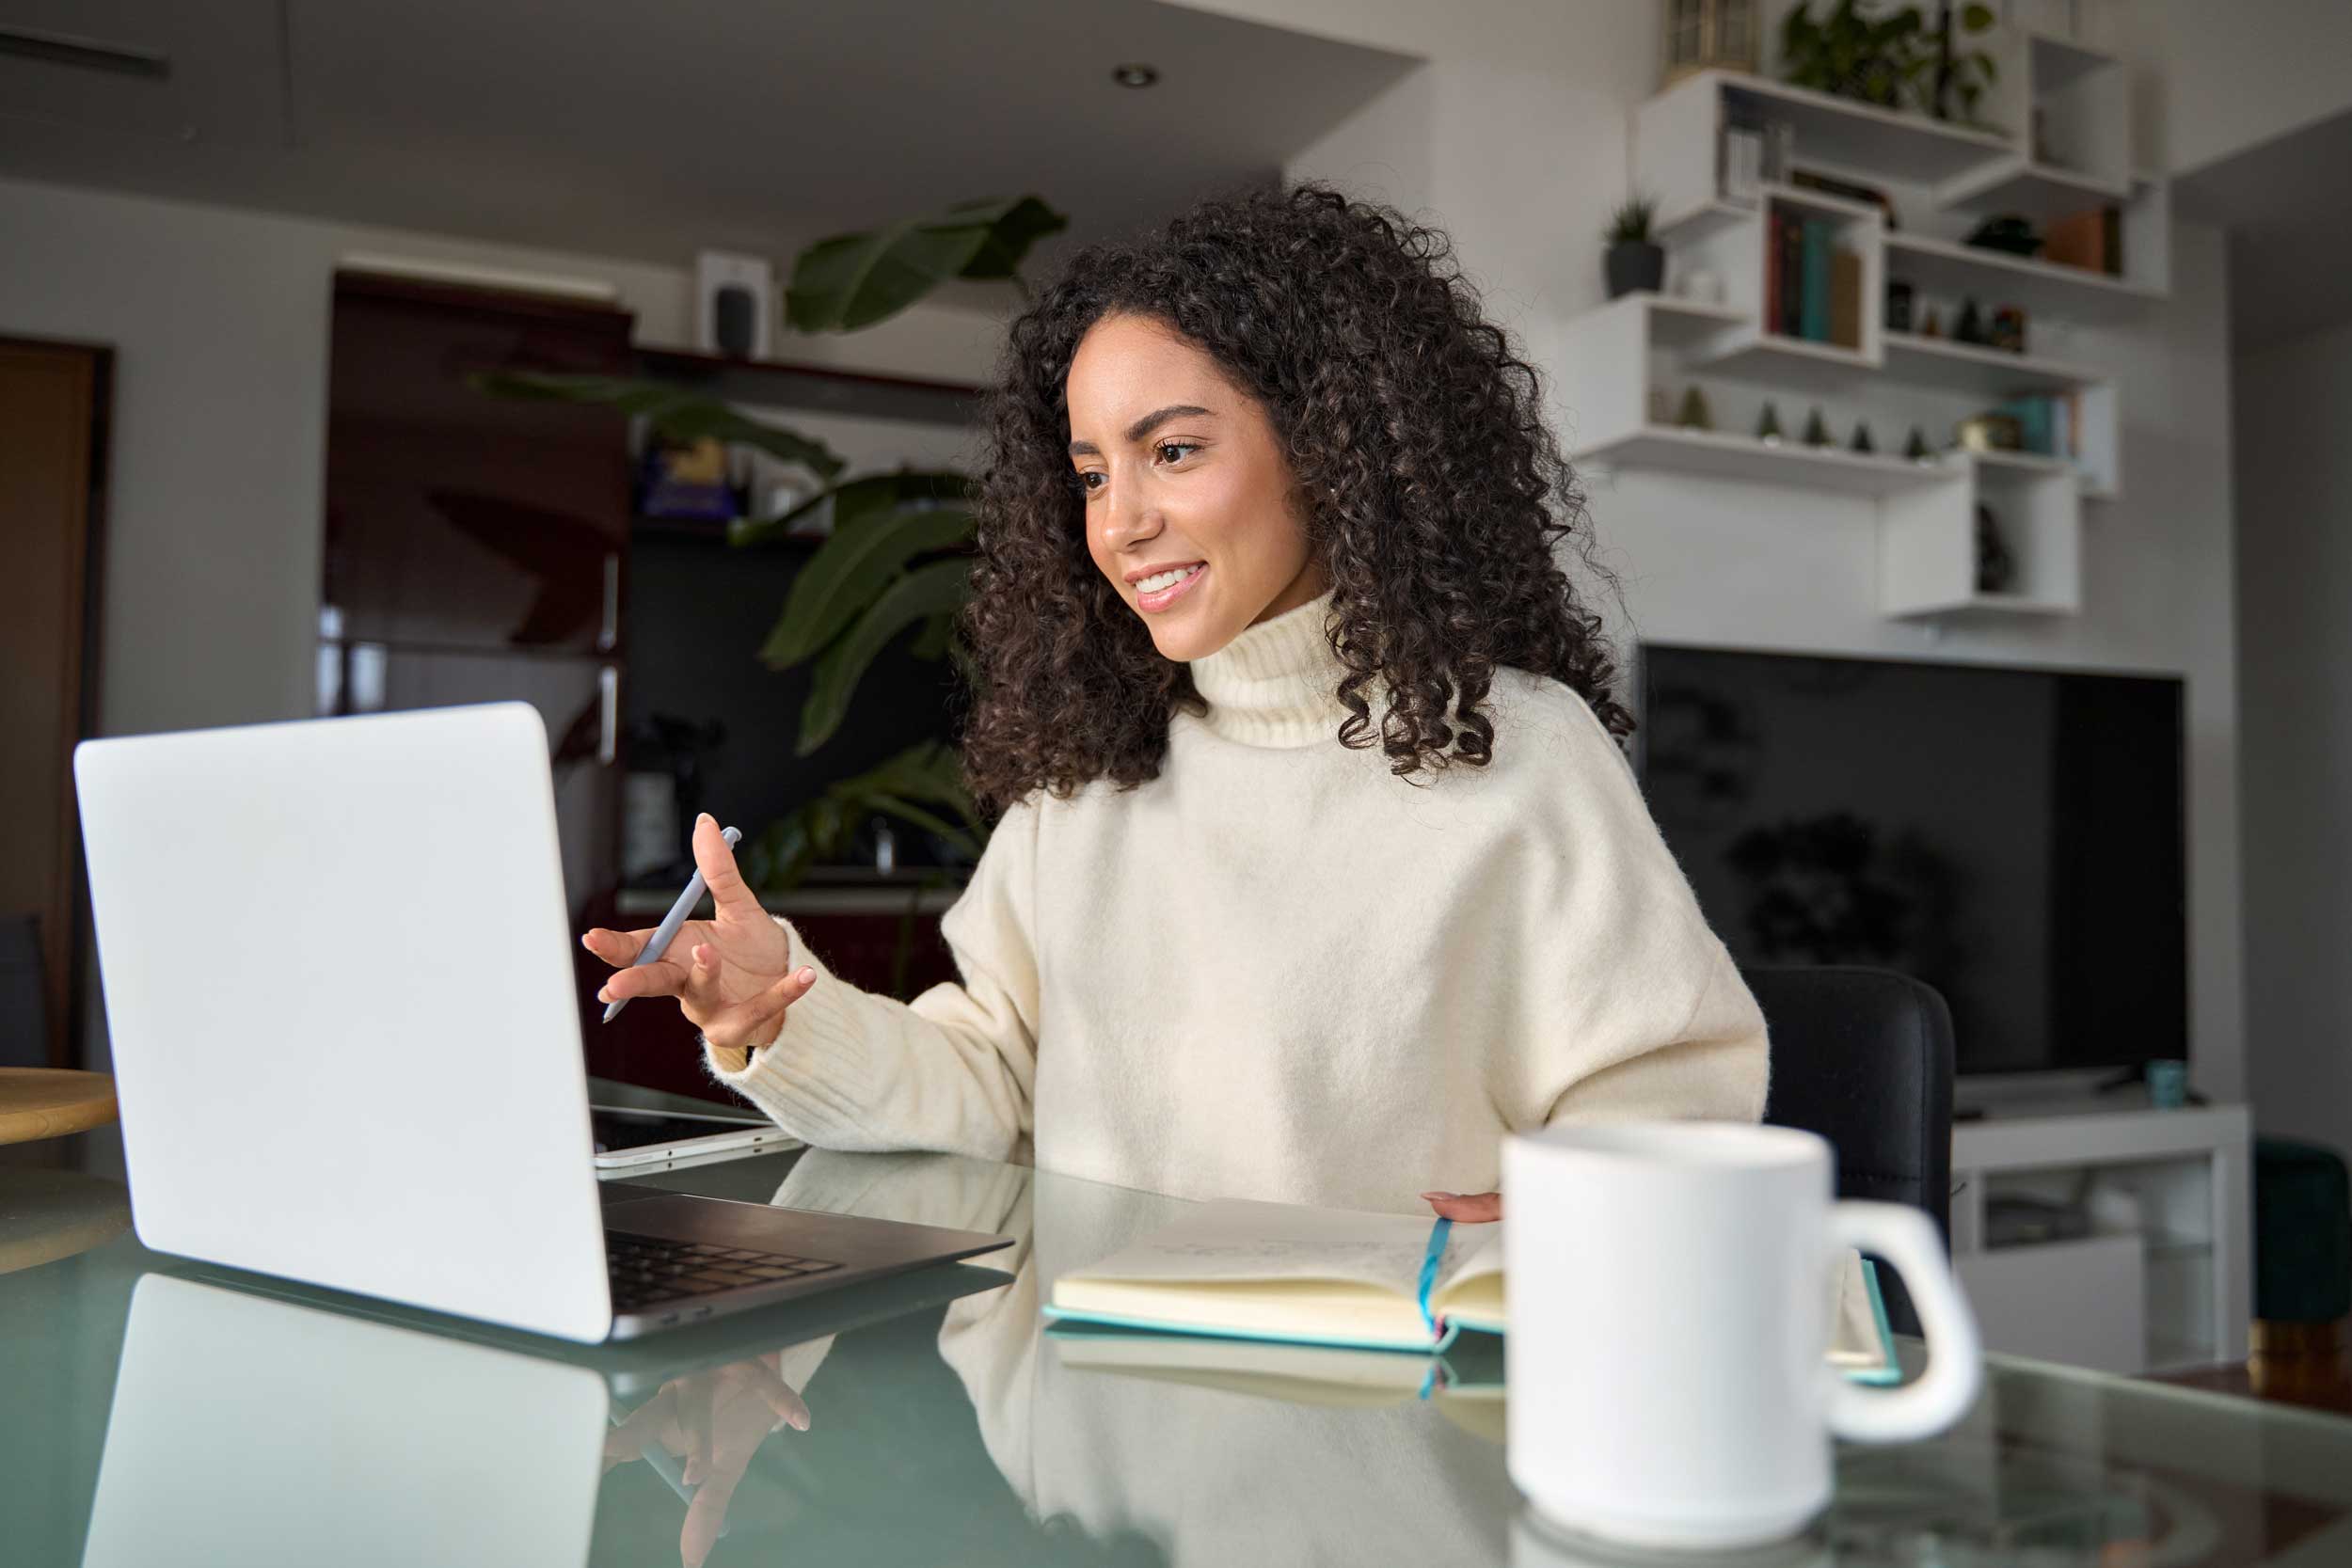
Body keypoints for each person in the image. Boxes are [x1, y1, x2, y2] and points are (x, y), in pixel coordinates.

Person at [583, 181, 1769, 1222]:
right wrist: (774, 1013)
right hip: (1100, 1390)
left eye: (1175, 451)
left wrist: (1579, 1204)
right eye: (1093, 473)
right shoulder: (1086, 784)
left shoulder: (1516, 750)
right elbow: (989, 1082)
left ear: (1328, 447)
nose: (1121, 521)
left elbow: (1672, 1086)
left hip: (1388, 1390)